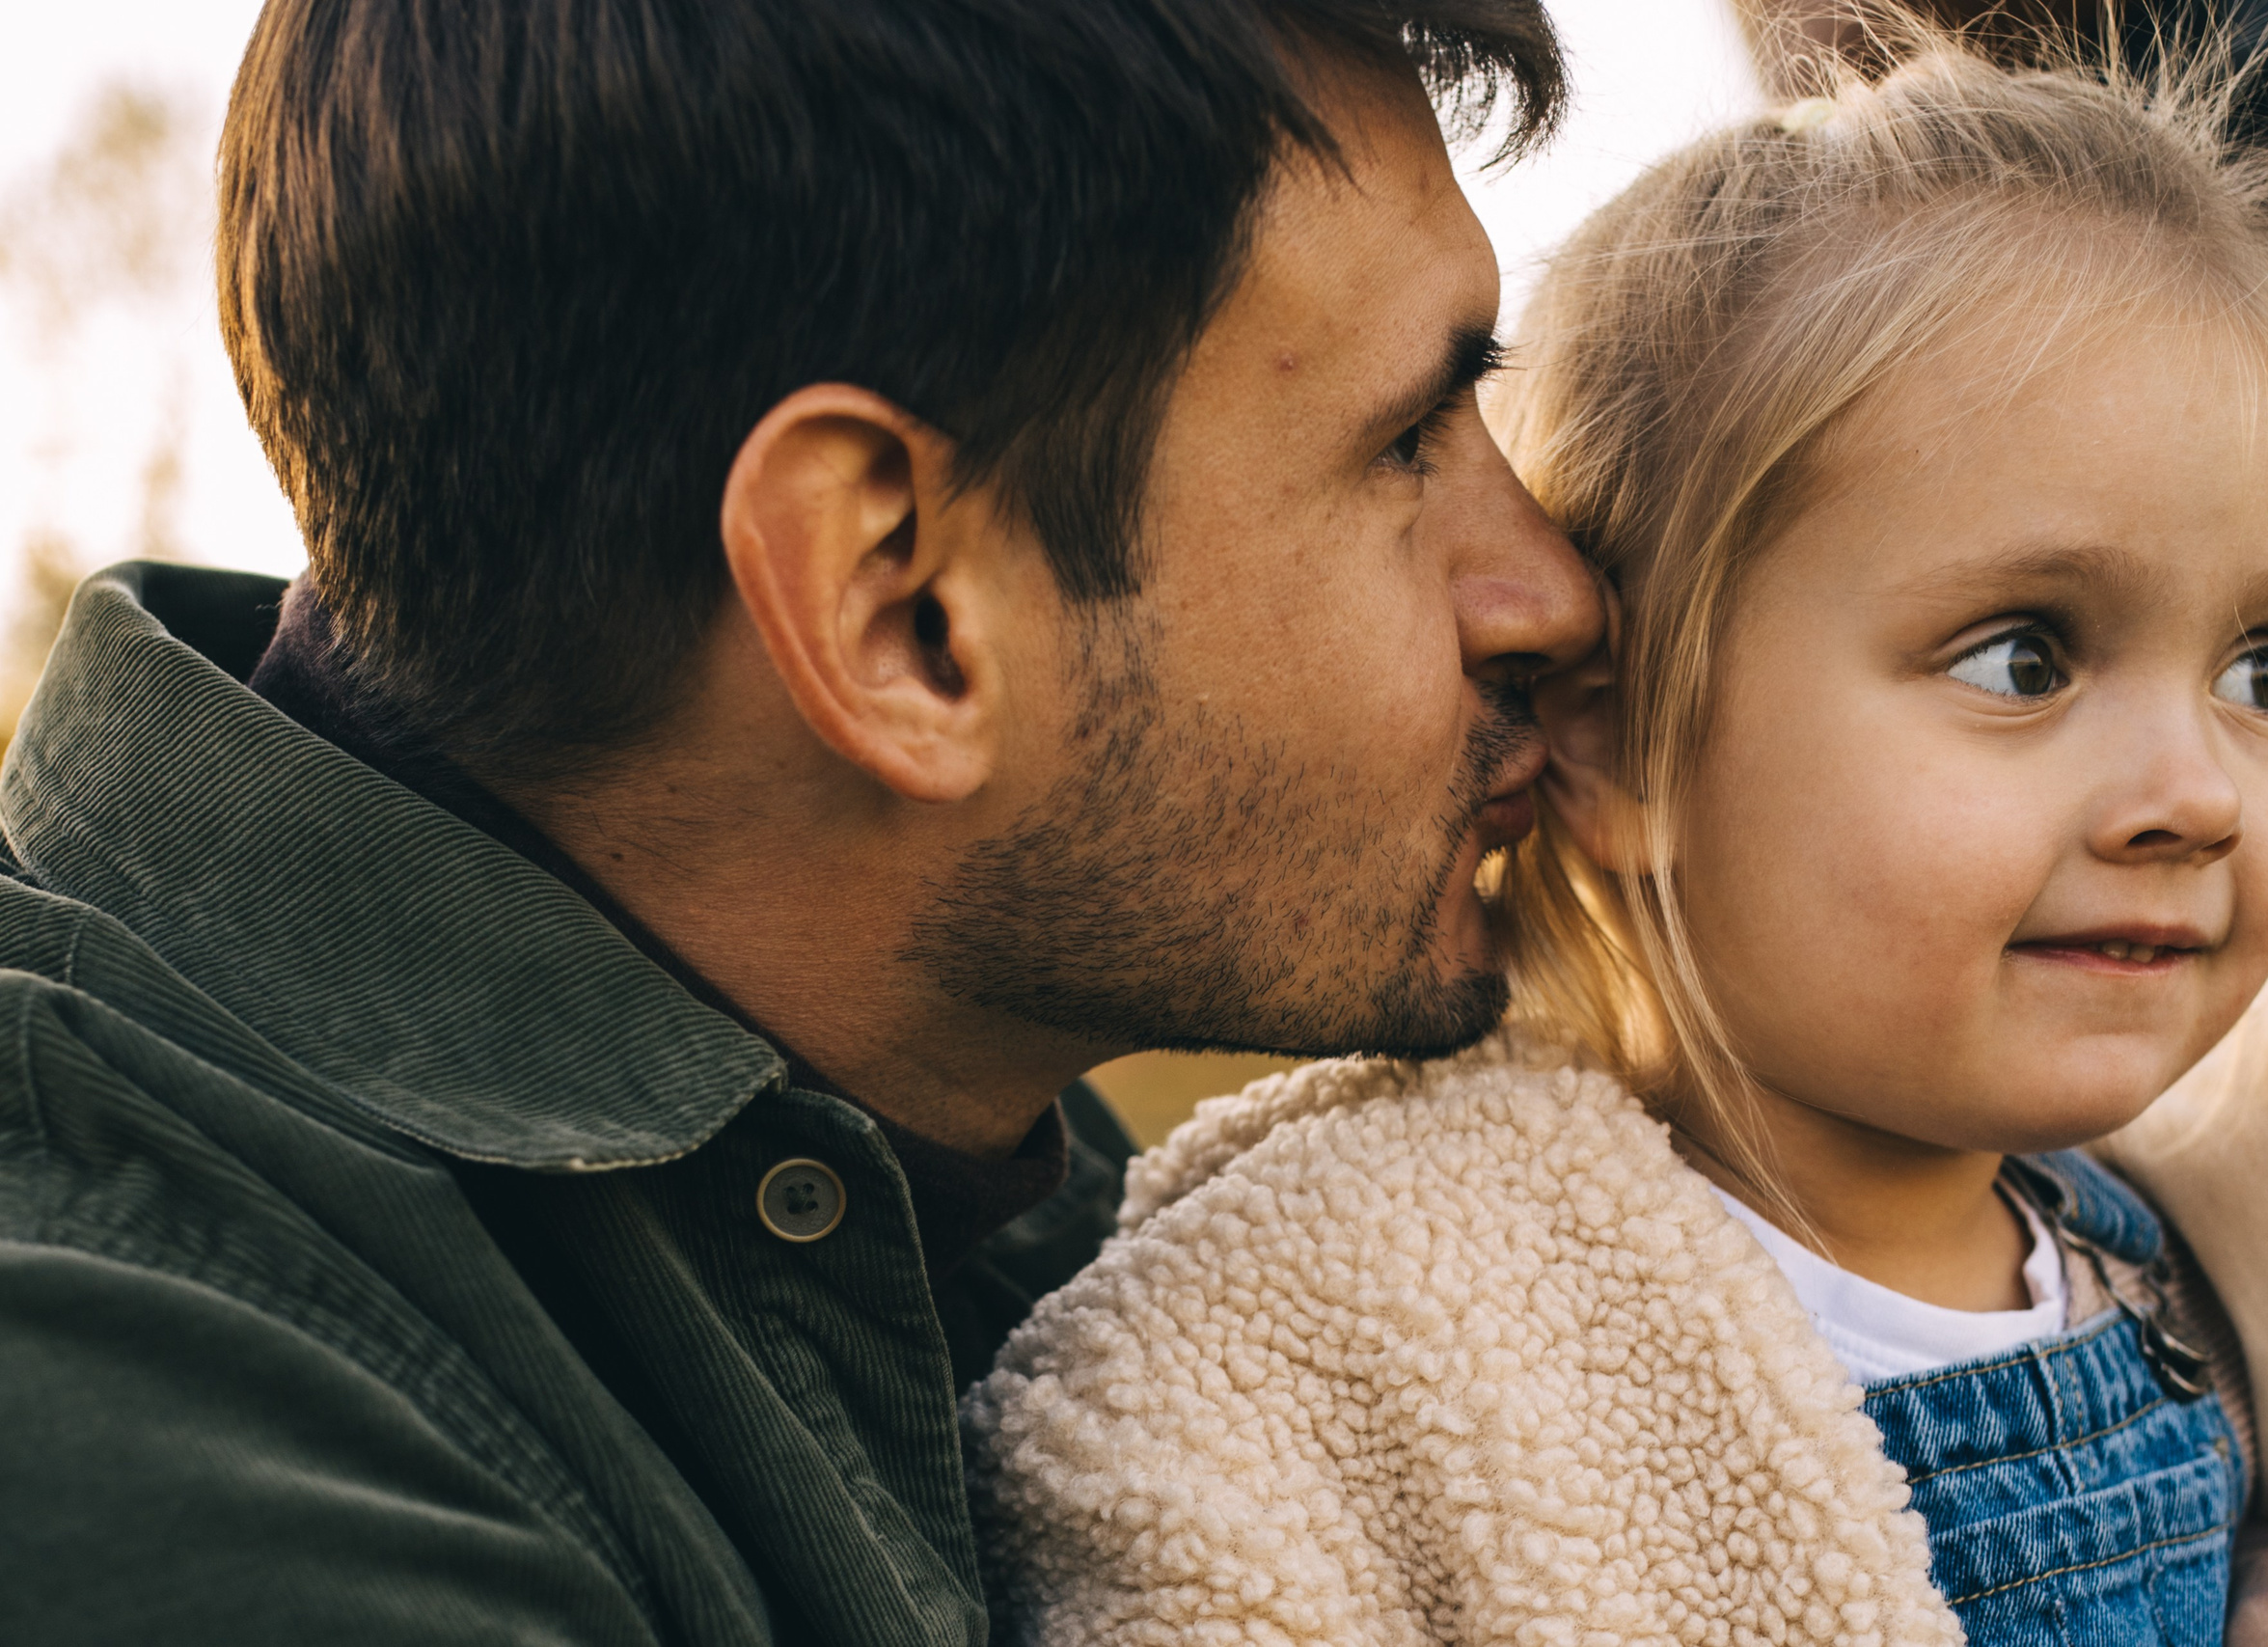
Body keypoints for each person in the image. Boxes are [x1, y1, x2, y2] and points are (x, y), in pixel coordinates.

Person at [0, 1, 1603, 1641]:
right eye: (1407, 438)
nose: (1552, 596)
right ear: (892, 609)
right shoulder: (142, 1441)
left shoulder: (973, 1140)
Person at [964, 32, 2268, 1647]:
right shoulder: (1338, 1372)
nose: (2201, 790)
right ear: (1619, 741)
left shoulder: (2243, 1289)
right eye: (2024, 657)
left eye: (2264, 669)